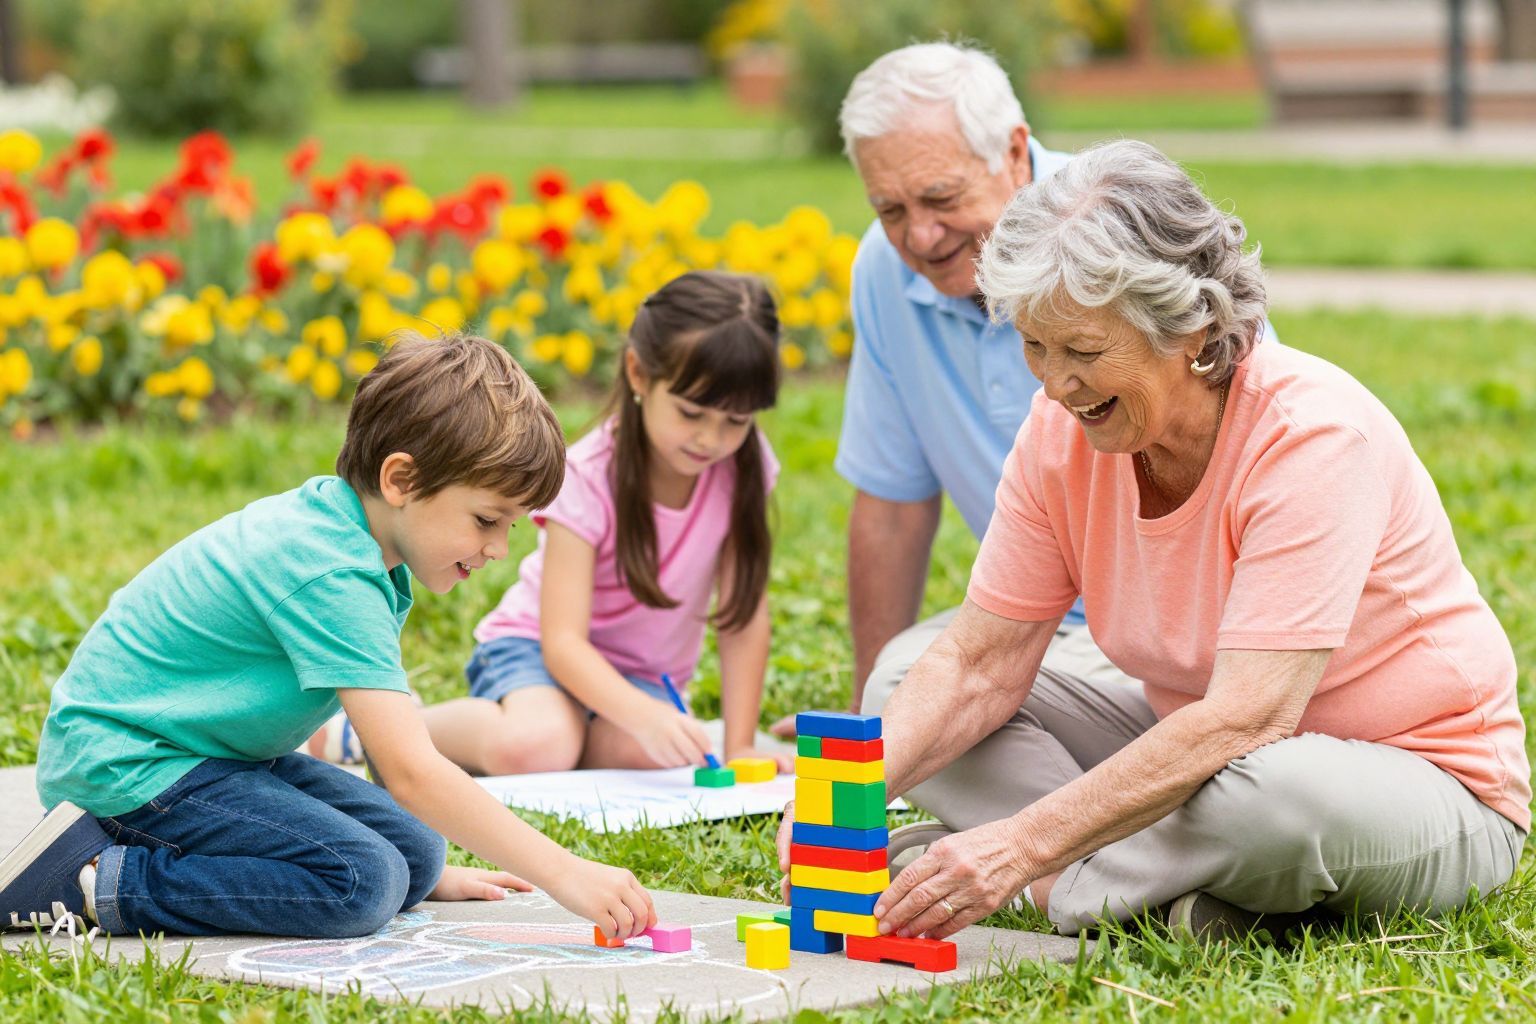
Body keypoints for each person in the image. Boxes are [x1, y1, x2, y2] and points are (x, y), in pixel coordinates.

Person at [780, 140, 1529, 941]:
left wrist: (1020, 848)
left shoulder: (1311, 437)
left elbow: (1247, 720)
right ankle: (1163, 894)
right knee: (903, 687)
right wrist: (841, 802)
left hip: (1412, 780)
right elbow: (978, 663)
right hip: (1201, 749)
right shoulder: (1060, 434)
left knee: (1269, 800)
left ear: (1193, 330)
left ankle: (1053, 886)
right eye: (1034, 345)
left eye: (1084, 351)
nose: (1054, 385)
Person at [2, 333, 656, 942]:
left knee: (415, 855)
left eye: (511, 525)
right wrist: (564, 872)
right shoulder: (329, 571)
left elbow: (388, 743)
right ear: (401, 480)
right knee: (362, 882)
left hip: (206, 753)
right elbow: (411, 771)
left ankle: (156, 860)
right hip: (127, 765)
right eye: (487, 519)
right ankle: (92, 880)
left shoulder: (360, 542)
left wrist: (419, 869)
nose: (498, 548)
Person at [421, 271, 790, 776]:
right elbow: (562, 643)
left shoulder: (742, 469)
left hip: (639, 676)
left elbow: (743, 618)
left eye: (736, 421)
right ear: (639, 373)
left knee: (656, 753)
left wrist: (740, 745)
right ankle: (386, 731)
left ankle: (574, 736)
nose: (711, 438)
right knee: (535, 747)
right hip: (535, 652)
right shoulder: (588, 476)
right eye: (691, 412)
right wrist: (643, 716)